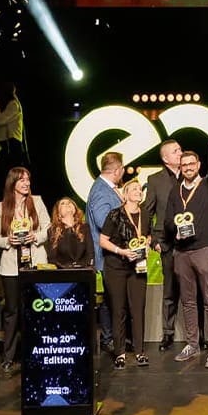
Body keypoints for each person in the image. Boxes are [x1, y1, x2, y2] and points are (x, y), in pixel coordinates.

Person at [165, 149, 208, 368]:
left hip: (204, 250)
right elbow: (167, 221)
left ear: (198, 165)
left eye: (192, 164)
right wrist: (176, 230)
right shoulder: (175, 191)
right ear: (180, 168)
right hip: (181, 252)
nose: (188, 168)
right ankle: (192, 344)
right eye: (184, 165)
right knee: (188, 302)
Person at [0, 166, 49, 374]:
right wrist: (8, 241)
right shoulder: (2, 207)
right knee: (12, 311)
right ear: (13, 183)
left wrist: (35, 236)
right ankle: (9, 356)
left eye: (28, 179)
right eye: (22, 180)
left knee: (36, 308)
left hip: (35, 263)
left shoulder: (37, 202)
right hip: (11, 267)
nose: (26, 183)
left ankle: (36, 352)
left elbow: (48, 228)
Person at [99, 177, 151, 369]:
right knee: (119, 309)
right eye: (134, 189)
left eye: (140, 189)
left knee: (137, 309)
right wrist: (121, 251)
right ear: (126, 194)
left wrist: (147, 244)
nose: (139, 191)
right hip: (116, 267)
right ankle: (120, 353)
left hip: (138, 267)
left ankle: (140, 352)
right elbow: (103, 240)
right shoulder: (115, 214)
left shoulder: (145, 214)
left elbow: (147, 235)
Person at [144, 139, 183, 351]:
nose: (180, 153)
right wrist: (153, 240)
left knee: (194, 290)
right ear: (165, 158)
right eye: (175, 151)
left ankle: (200, 334)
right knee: (170, 291)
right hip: (167, 243)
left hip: (191, 242)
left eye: (180, 150)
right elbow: (147, 211)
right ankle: (167, 333)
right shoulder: (155, 180)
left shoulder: (191, 176)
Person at [86, 150, 124, 353]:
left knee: (112, 298)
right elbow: (103, 222)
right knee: (109, 300)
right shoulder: (101, 191)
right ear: (117, 170)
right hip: (107, 256)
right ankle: (109, 338)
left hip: (114, 255)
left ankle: (114, 337)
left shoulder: (108, 188)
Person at [0, 83, 27, 171]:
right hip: (11, 147)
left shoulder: (13, 105)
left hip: (13, 147)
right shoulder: (11, 105)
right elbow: (3, 133)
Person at [47, 197, 94, 269]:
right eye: (63, 203)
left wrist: (88, 268)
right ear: (58, 213)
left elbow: (90, 253)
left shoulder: (84, 227)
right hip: (63, 272)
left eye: (69, 202)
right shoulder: (53, 231)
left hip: (83, 271)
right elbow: (52, 259)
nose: (67, 204)